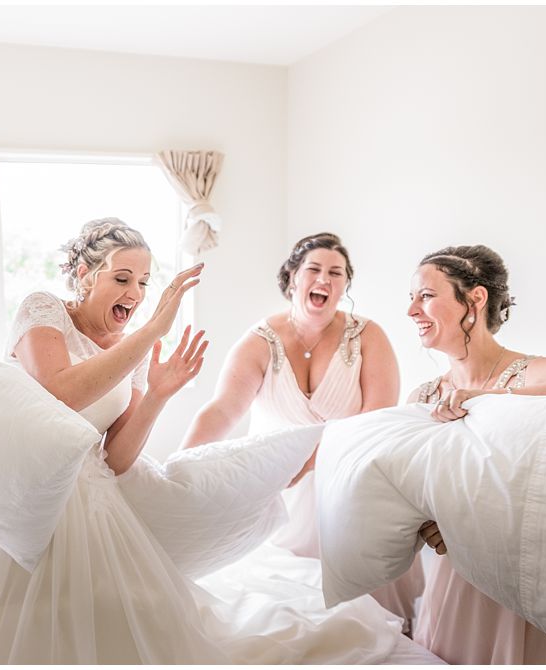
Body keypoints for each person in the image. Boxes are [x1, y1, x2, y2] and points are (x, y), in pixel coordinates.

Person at [0, 218, 402, 664]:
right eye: (121, 278)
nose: (134, 294)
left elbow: (118, 458)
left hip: (88, 502)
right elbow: (59, 396)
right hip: (19, 490)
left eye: (144, 283)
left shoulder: (127, 348)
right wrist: (153, 331)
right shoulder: (44, 312)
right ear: (84, 275)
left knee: (124, 630)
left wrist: (158, 395)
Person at [180, 232, 424, 627]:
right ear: (292, 278)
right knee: (282, 614)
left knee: (365, 620)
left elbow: (376, 421)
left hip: (350, 489)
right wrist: (181, 466)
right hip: (280, 491)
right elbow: (222, 409)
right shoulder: (261, 341)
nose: (324, 280)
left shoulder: (368, 337)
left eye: (336, 273)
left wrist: (310, 462)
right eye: (313, 269)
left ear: (345, 285)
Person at [408, 244, 546, 664]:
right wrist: (426, 522)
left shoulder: (530, 373)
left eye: (426, 295)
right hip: (461, 582)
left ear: (475, 299)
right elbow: (409, 488)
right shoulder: (423, 397)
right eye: (411, 298)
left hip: (544, 573)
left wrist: (493, 398)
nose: (412, 310)